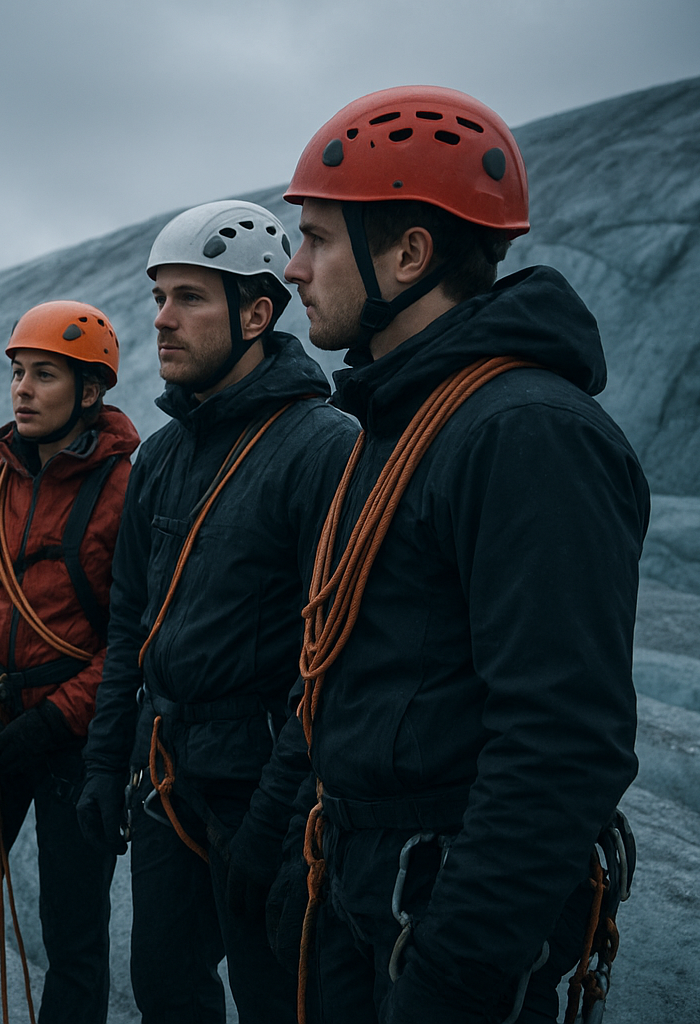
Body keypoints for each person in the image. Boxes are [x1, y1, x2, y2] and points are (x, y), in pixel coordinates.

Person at [277, 85, 648, 1023]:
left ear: (408, 253)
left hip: (441, 914)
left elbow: (563, 739)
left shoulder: (526, 434)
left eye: (319, 238)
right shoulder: (395, 421)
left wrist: (458, 970)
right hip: (370, 884)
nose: (294, 266)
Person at [75, 200, 359, 1024]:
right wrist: (104, 764)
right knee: (167, 992)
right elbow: (130, 618)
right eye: (160, 296)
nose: (161, 320)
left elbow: (329, 655)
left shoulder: (323, 446)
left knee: (277, 999)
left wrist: (279, 810)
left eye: (190, 298)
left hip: (261, 783)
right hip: (168, 776)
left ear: (257, 313)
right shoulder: (162, 454)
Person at [0, 300, 140, 1024]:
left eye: (45, 375)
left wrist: (57, 721)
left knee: (74, 939)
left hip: (74, 743)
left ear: (91, 391)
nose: (23, 389)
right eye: (17, 372)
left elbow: (137, 637)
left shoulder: (128, 492)